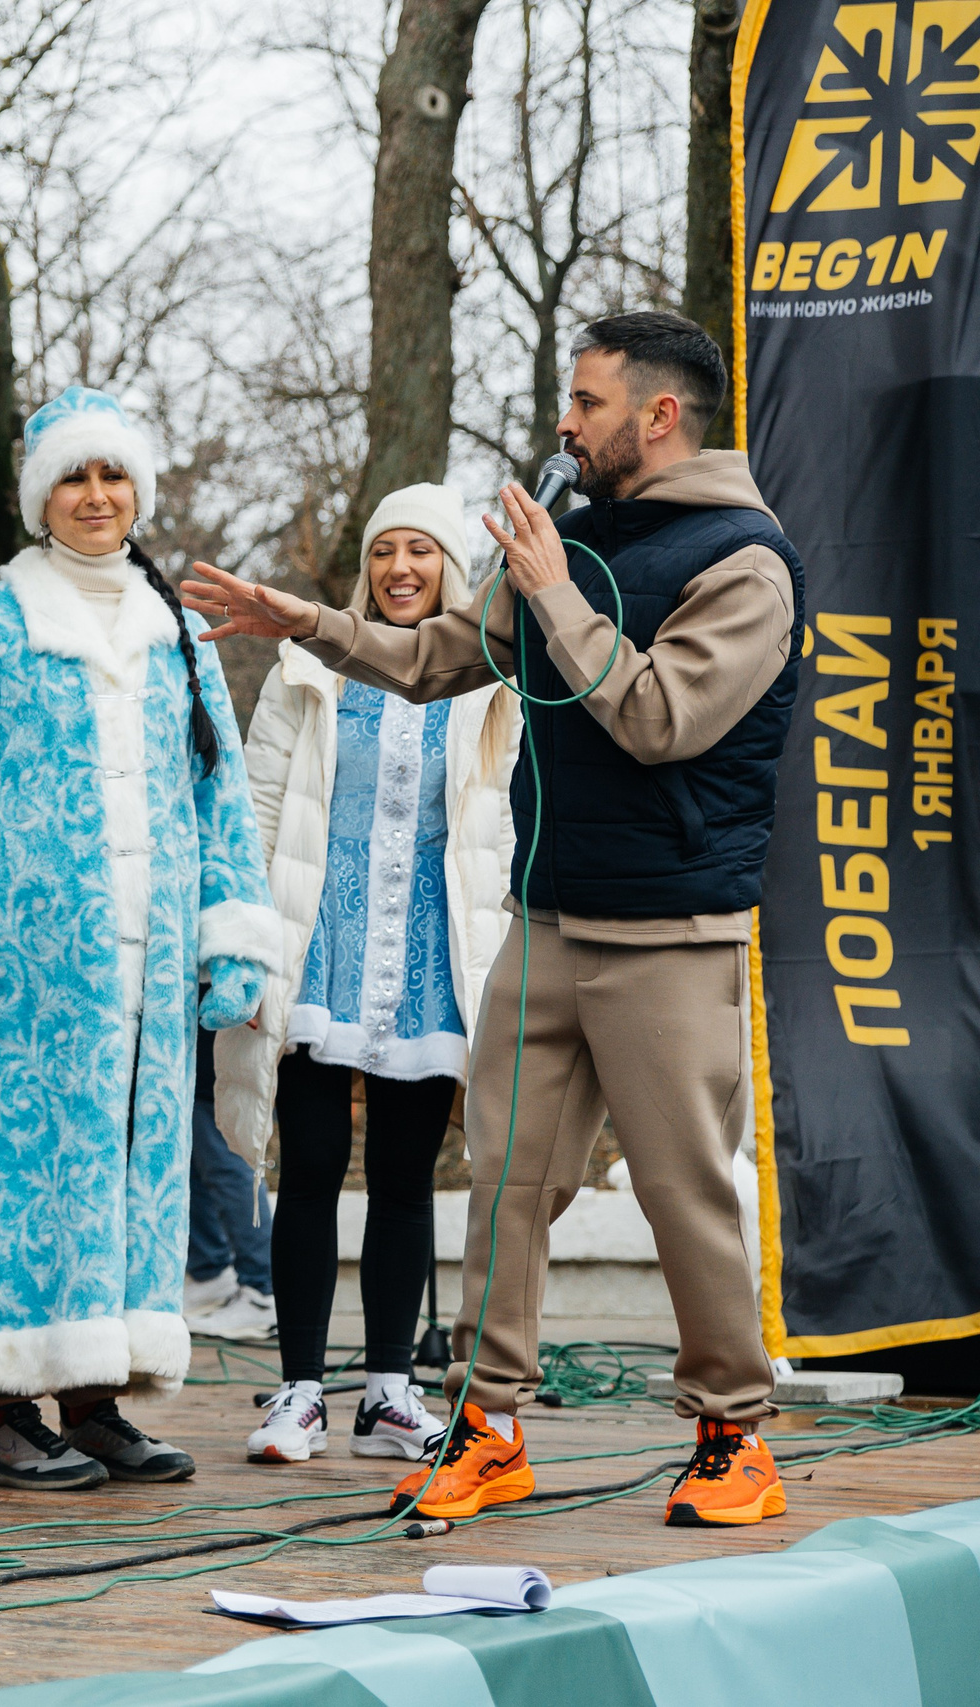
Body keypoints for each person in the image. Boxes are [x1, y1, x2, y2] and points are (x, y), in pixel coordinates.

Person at [183, 311, 802, 1528]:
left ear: (659, 415)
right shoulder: (572, 539)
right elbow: (442, 658)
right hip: (547, 917)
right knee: (507, 1184)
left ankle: (734, 1434)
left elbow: (657, 717)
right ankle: (489, 1426)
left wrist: (555, 589)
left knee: (685, 1194)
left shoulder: (747, 565)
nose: (563, 423)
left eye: (586, 402)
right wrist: (304, 623)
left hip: (669, 931)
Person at [0, 386, 278, 1491]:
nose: (96, 496)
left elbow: (220, 800)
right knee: (20, 1174)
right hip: (23, 966)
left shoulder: (177, 635)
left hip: (148, 965)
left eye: (113, 475)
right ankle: (2, 1409)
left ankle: (98, 1395)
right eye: (74, 476)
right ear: (39, 497)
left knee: (133, 1171)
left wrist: (230, 936)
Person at [214, 484, 516, 1466]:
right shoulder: (310, 665)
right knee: (303, 1171)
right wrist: (245, 935)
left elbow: (501, 823)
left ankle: (389, 1390)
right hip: (319, 946)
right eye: (384, 551)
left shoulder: (488, 683)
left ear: (451, 569)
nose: (399, 570)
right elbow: (257, 801)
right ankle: (297, 1387)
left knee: (401, 1179)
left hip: (428, 956)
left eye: (420, 553)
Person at [182, 1029, 275, 1343]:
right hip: (205, 1009)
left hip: (236, 1012)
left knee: (230, 1158)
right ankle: (211, 1274)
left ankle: (263, 1292)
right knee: (198, 1150)